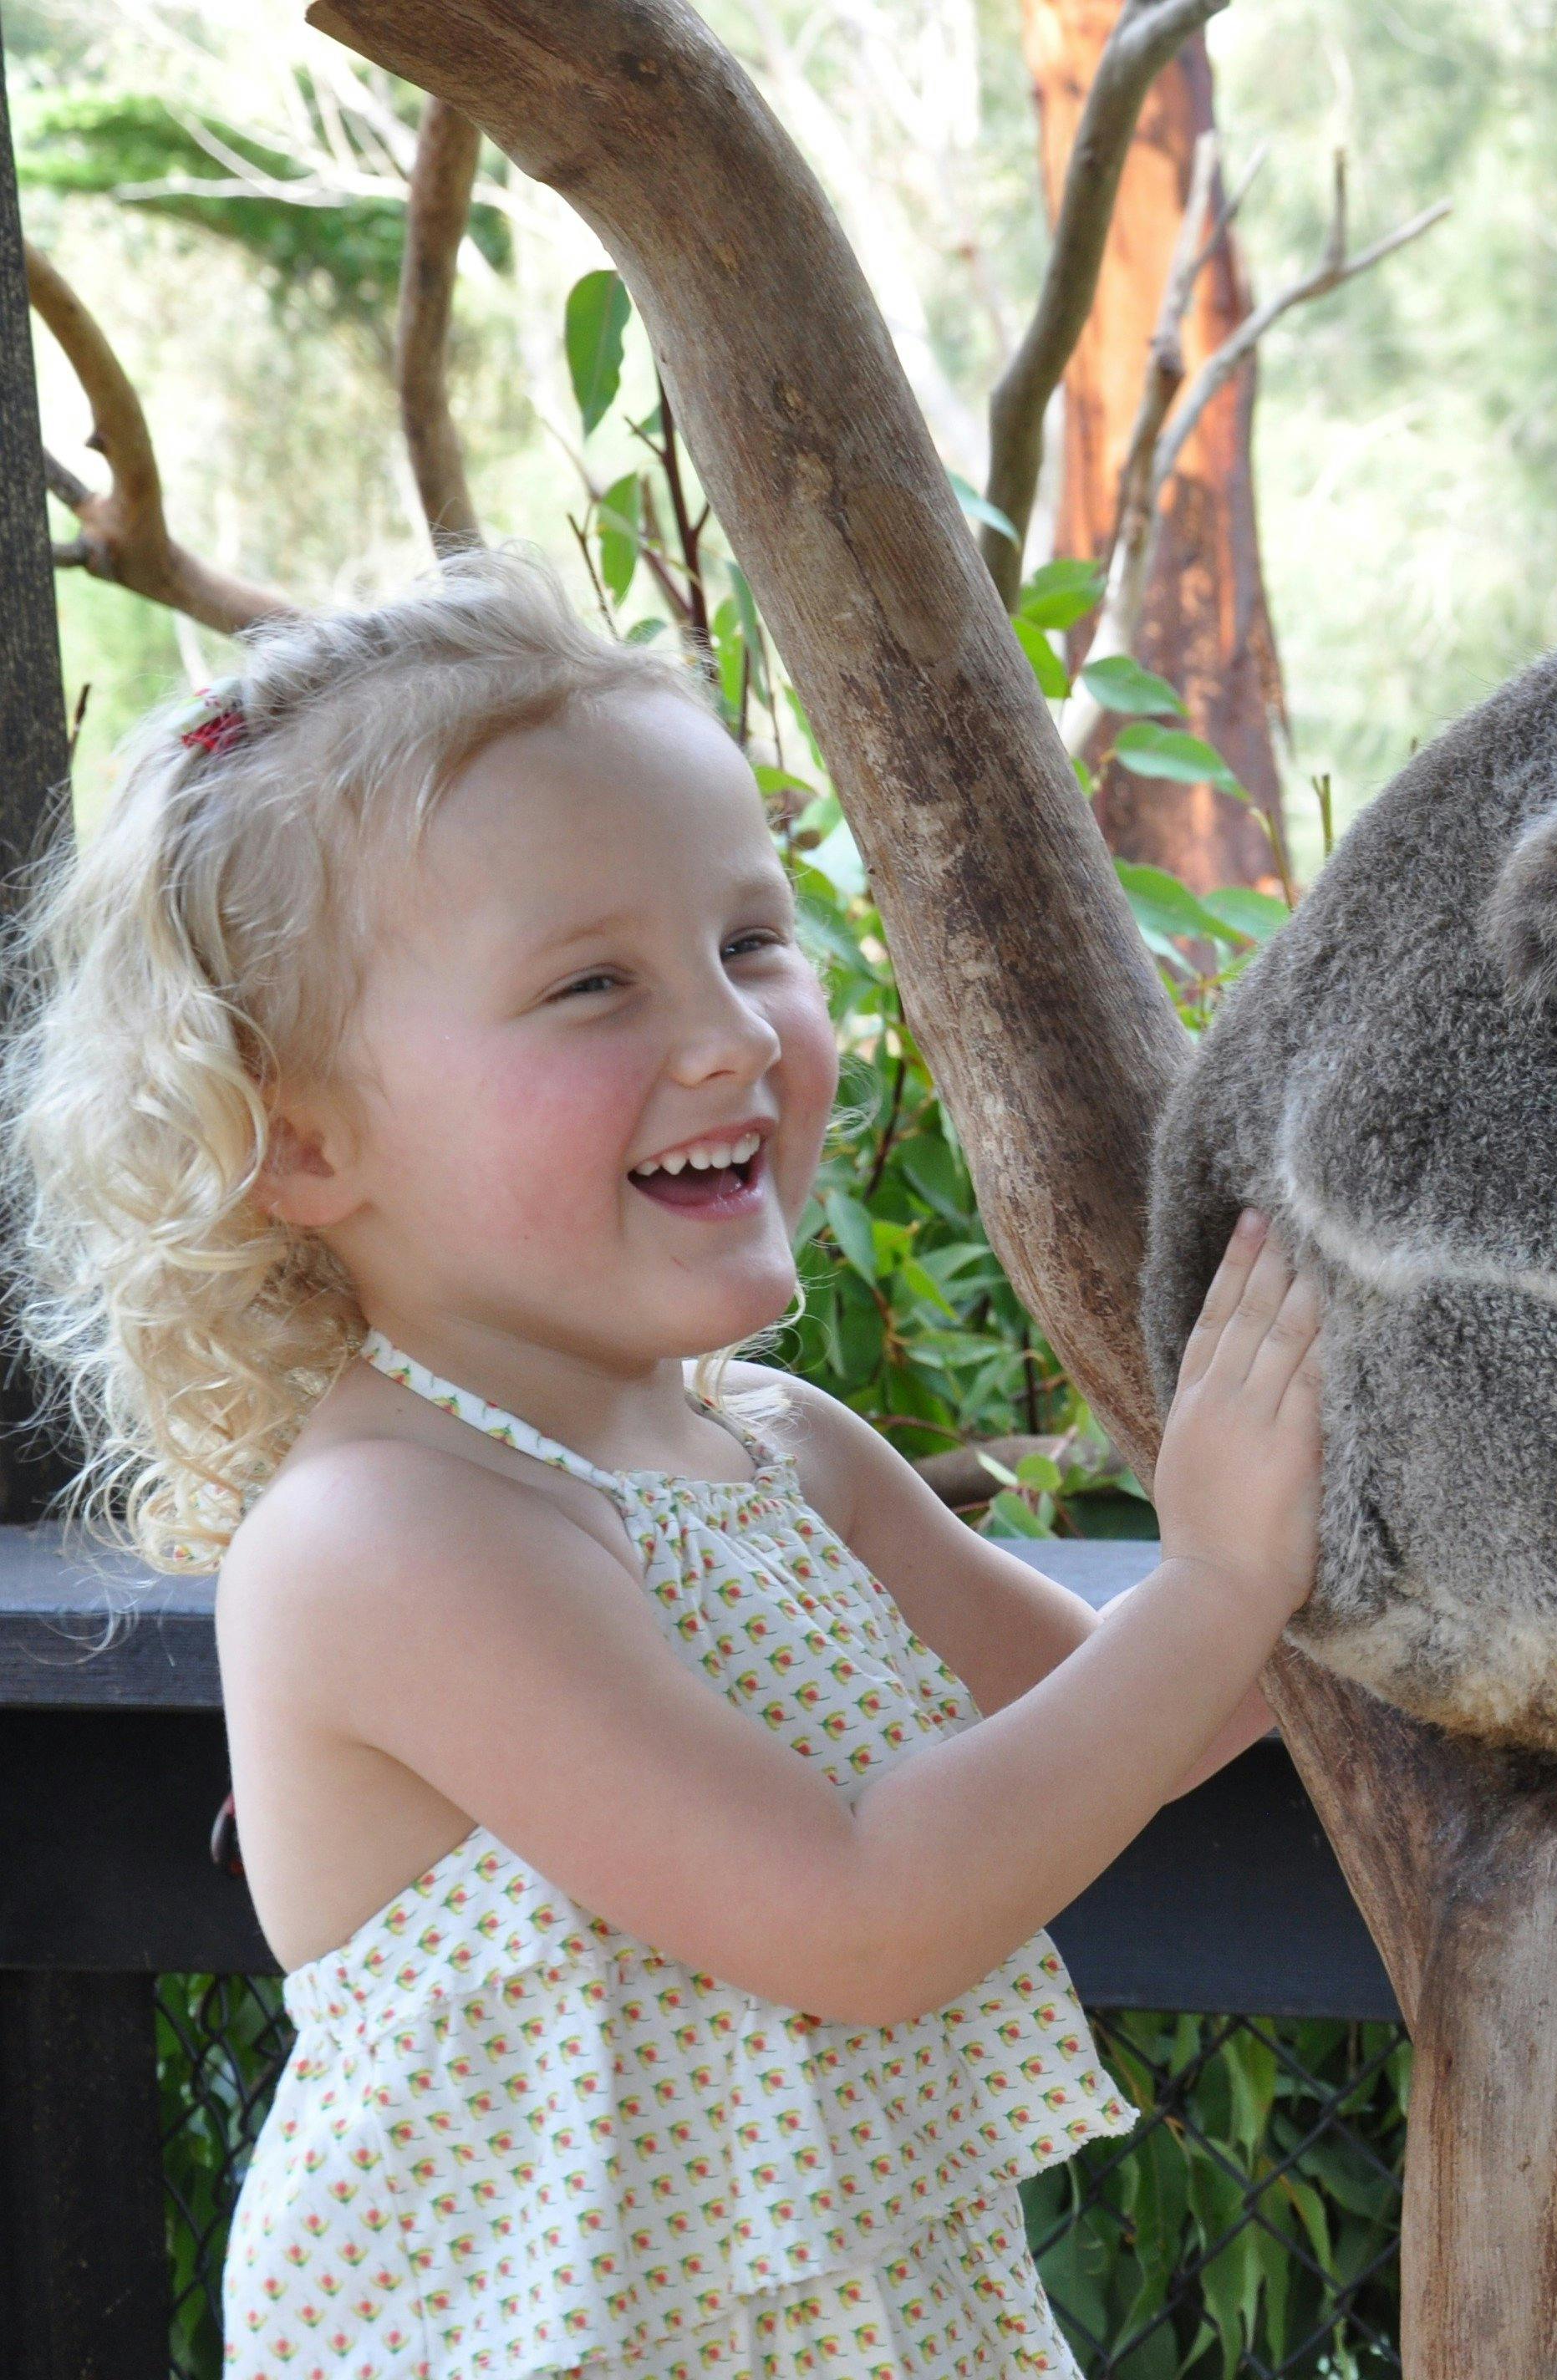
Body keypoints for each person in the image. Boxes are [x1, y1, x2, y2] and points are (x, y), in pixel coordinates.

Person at [3, 549, 1325, 2377]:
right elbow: (857, 1913)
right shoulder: (389, 1530)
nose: (722, 1030)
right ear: (297, 1141)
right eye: (590, 984)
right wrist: (1216, 1578)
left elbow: (1141, 1721)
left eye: (751, 940)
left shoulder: (778, 1447)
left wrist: (1381, 1539)